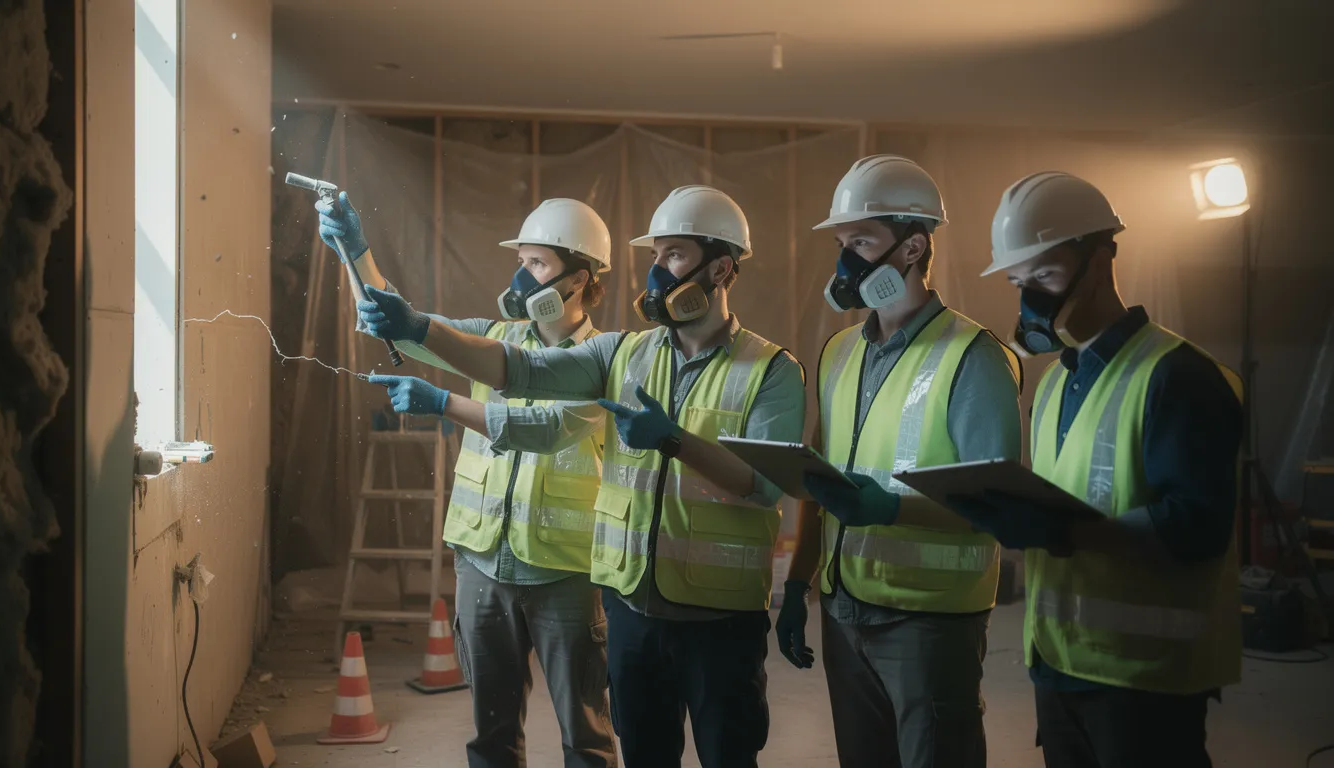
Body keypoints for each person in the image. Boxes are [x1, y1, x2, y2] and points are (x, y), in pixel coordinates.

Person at [352, 184, 805, 768]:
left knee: (723, 755)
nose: (659, 272)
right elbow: (517, 368)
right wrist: (416, 324)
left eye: (673, 256)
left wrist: (674, 442)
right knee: (643, 753)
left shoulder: (771, 369)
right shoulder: (624, 354)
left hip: (718, 616)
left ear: (720, 268)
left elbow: (765, 485)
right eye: (655, 257)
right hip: (634, 605)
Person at [948, 171, 1242, 768]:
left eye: (1048, 277)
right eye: (1019, 282)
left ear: (1104, 254)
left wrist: (1062, 532)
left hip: (1147, 680)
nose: (1033, 300)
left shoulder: (1178, 376)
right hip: (1059, 663)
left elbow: (1197, 528)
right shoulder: (1056, 380)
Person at [316, 195, 619, 768]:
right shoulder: (493, 339)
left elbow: (546, 429)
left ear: (578, 279)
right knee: (491, 734)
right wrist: (356, 253)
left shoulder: (603, 359)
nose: (519, 276)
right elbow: (405, 330)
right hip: (483, 562)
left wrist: (442, 402)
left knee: (586, 736)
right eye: (521, 260)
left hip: (566, 575)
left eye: (535, 265)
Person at [775, 155, 1024, 768]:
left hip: (928, 621)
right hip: (843, 608)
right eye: (842, 243)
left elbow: (999, 508)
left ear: (913, 248)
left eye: (861, 242)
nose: (846, 262)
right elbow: (818, 480)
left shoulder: (974, 357)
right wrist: (799, 583)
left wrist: (888, 508)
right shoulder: (838, 352)